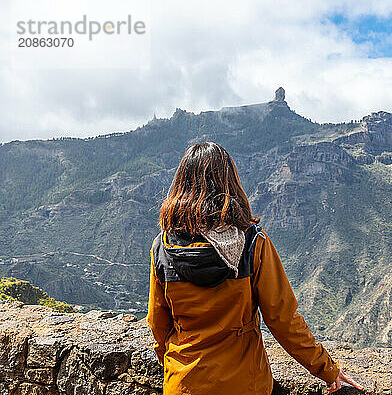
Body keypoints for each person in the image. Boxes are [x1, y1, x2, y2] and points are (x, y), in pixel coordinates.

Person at [147, 142, 363, 394]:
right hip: (243, 383)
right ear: (230, 183)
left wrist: (175, 364)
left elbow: (157, 323)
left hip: (183, 382)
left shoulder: (163, 247)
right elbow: (283, 319)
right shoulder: (252, 243)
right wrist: (327, 369)